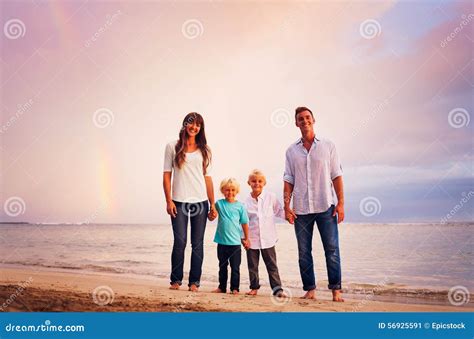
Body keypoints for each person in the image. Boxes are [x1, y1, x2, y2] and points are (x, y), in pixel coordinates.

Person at [283, 106, 345, 302]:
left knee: (332, 249)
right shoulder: (291, 151)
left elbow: (336, 175)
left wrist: (341, 203)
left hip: (326, 205)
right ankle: (310, 290)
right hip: (301, 209)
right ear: (296, 123)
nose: (304, 121)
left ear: (313, 119)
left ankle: (336, 290)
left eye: (307, 117)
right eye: (300, 119)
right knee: (303, 252)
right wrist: (287, 206)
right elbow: (288, 179)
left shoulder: (328, 146)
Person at [163, 112, 216, 292]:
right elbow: (166, 175)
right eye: (191, 123)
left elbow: (207, 178)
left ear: (201, 128)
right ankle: (175, 281)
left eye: (198, 125)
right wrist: (168, 200)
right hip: (178, 202)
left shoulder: (205, 150)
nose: (194, 127)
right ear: (185, 124)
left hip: (200, 202)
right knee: (180, 241)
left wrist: (213, 204)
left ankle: (194, 282)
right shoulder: (172, 146)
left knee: (197, 243)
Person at [243, 169, 286, 297]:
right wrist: (244, 238)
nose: (257, 183)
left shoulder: (271, 197)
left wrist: (290, 216)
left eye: (260, 181)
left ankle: (277, 290)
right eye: (254, 181)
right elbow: (243, 221)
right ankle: (254, 288)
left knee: (272, 265)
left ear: (264, 183)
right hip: (252, 239)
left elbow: (279, 211)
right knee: (253, 266)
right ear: (249, 183)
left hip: (268, 239)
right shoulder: (246, 201)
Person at [210, 178, 250, 294]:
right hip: (221, 243)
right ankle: (222, 287)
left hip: (235, 244)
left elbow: (244, 223)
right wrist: (211, 214)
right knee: (222, 266)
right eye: (227, 190)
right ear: (223, 190)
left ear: (236, 191)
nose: (230, 192)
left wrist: (246, 238)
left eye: (233, 190)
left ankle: (235, 288)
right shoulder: (219, 204)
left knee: (235, 268)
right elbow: (212, 215)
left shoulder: (240, 206)